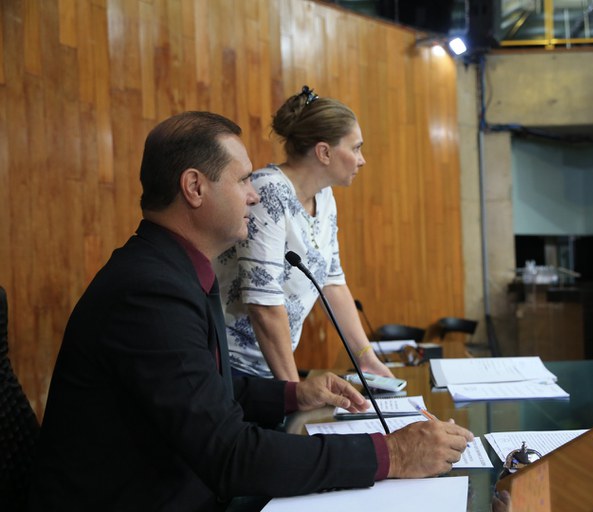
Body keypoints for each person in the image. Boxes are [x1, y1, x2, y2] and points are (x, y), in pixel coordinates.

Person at [27, 111, 474, 511]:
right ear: (195, 188)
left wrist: (293, 395)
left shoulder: (169, 270)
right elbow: (231, 455)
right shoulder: (149, 293)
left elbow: (206, 391)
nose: (254, 196)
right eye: (242, 180)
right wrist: (392, 454)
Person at [214, 86, 393, 381]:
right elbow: (263, 304)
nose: (362, 159)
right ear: (324, 152)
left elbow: (332, 283)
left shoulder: (325, 197)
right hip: (231, 367)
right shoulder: (269, 191)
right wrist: (293, 391)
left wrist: (367, 359)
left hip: (269, 368)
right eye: (356, 148)